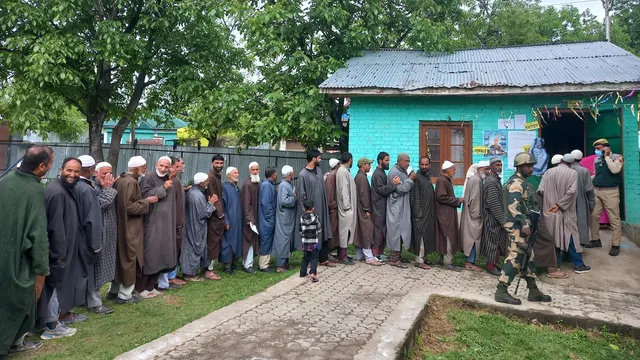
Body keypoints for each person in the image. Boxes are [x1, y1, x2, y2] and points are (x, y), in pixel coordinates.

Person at [0, 146, 53, 356]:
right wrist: (42, 268)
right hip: (17, 259)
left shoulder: (5, 181)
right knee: (20, 302)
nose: (50, 167)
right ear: (41, 167)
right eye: (50, 163)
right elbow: (38, 235)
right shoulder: (34, 191)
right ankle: (9, 345)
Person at [495, 152, 551, 305]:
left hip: (522, 225)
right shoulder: (516, 184)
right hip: (517, 226)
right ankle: (501, 290)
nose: (532, 169)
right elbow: (513, 207)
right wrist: (524, 224)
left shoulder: (521, 182)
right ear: (520, 167)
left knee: (529, 257)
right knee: (516, 257)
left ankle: (533, 290)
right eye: (529, 166)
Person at [42, 157, 85, 339]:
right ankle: (52, 326)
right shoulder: (58, 192)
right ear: (61, 169)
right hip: (59, 252)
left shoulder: (66, 189)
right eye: (69, 170)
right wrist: (59, 253)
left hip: (64, 250)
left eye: (76, 172)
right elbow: (56, 226)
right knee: (55, 286)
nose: (73, 174)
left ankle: (52, 320)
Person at [110, 156, 157, 304]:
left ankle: (114, 290)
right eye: (143, 167)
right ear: (136, 169)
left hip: (122, 226)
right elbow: (129, 207)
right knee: (131, 259)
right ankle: (125, 295)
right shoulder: (131, 182)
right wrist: (146, 201)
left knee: (121, 259)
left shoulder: (122, 180)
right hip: (130, 228)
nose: (145, 169)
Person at [538, 154, 591, 274]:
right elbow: (572, 192)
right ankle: (579, 265)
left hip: (550, 211)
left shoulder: (548, 172)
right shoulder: (573, 173)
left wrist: (548, 204)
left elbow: (541, 190)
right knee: (571, 237)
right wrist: (560, 204)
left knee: (553, 237)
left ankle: (555, 265)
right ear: (571, 163)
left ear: (561, 161)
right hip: (566, 210)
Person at [74, 155, 111, 315]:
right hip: (85, 234)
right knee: (89, 269)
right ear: (91, 170)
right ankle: (95, 303)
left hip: (75, 232)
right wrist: (108, 189)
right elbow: (97, 209)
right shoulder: (86, 187)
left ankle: (81, 299)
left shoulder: (75, 184)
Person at [139, 156, 177, 295]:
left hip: (166, 224)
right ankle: (142, 288)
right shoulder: (148, 177)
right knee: (151, 254)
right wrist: (163, 188)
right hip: (152, 223)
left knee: (162, 255)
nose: (163, 169)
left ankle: (151, 286)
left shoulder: (168, 178)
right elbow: (144, 196)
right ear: (156, 164)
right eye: (161, 165)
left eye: (166, 167)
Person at [588, 138, 624, 256]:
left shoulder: (617, 157)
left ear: (606, 147)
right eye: (595, 149)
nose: (596, 151)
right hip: (597, 191)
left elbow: (615, 170)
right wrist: (587, 180)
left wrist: (607, 157)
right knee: (594, 216)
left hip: (611, 192)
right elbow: (596, 174)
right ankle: (595, 240)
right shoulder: (597, 160)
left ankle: (616, 245)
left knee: (614, 219)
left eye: (598, 149)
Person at [297, 149, 333, 267]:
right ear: (313, 158)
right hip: (312, 210)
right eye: (319, 157)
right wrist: (305, 212)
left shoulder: (318, 170)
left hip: (322, 208)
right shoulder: (303, 174)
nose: (320, 159)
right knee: (312, 235)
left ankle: (323, 259)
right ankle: (309, 260)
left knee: (323, 232)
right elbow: (301, 194)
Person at [92, 162, 119, 302]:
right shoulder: (91, 187)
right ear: (95, 173)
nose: (108, 176)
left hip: (109, 232)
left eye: (110, 173)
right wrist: (108, 189)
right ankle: (93, 299)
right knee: (96, 267)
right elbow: (98, 206)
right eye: (104, 173)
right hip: (97, 234)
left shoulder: (108, 185)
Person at [182, 173, 217, 282]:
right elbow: (204, 213)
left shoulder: (192, 192)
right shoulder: (197, 196)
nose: (208, 182)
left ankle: (200, 269)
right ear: (201, 183)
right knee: (194, 248)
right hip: (196, 227)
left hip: (193, 225)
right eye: (206, 181)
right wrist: (211, 203)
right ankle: (189, 274)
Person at [386, 153, 415, 268]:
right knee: (396, 233)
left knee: (402, 232)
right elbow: (401, 189)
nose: (408, 163)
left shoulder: (402, 171)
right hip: (396, 208)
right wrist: (410, 179)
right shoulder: (394, 172)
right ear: (399, 161)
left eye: (409, 161)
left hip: (402, 207)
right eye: (406, 161)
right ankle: (394, 259)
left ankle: (398, 257)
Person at [353, 157, 383, 266]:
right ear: (363, 165)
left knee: (361, 231)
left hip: (361, 209)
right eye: (369, 165)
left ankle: (359, 254)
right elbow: (363, 195)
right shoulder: (361, 178)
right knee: (367, 232)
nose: (370, 167)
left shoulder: (360, 176)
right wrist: (367, 209)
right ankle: (369, 257)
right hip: (363, 210)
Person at [371, 152, 401, 260]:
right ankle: (375, 254)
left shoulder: (382, 172)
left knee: (383, 230)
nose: (388, 163)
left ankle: (380, 252)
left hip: (382, 206)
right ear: (380, 161)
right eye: (386, 160)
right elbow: (382, 190)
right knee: (378, 230)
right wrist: (394, 184)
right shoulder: (378, 174)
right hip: (378, 206)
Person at [481, 158, 508, 276]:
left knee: (496, 242)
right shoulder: (491, 181)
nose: (500, 167)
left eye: (501, 164)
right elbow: (493, 202)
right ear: (491, 166)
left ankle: (494, 264)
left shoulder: (495, 179)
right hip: (492, 218)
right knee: (493, 242)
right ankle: (490, 266)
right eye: (497, 165)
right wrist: (501, 220)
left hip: (496, 217)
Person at [163, 157, 187, 288]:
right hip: (175, 222)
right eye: (178, 166)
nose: (180, 168)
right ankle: (171, 277)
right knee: (173, 249)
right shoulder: (171, 181)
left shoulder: (176, 180)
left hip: (178, 221)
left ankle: (173, 275)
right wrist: (178, 222)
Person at [461, 161, 489, 272]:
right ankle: (470, 262)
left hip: (470, 214)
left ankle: (469, 261)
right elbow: (475, 200)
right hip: (474, 216)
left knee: (471, 238)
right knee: (473, 238)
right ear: (481, 169)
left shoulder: (474, 179)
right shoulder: (477, 181)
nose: (488, 172)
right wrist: (477, 215)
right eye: (486, 169)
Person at [435, 161, 463, 271]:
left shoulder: (445, 180)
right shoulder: (442, 181)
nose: (455, 171)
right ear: (448, 170)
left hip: (446, 213)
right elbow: (441, 197)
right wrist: (457, 200)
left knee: (446, 236)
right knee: (448, 236)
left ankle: (443, 260)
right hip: (445, 214)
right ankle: (447, 262)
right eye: (453, 169)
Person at [409, 156, 436, 269]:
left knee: (426, 236)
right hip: (420, 215)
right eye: (422, 164)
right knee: (420, 237)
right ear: (419, 165)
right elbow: (415, 197)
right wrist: (417, 214)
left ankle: (423, 258)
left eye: (426, 164)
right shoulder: (417, 178)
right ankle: (419, 261)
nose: (424, 167)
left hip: (428, 213)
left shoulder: (427, 178)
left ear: (429, 165)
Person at [274, 166, 299, 272]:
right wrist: (295, 199)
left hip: (289, 217)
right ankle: (280, 265)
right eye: (292, 172)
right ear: (289, 174)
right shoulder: (284, 185)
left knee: (288, 240)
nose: (293, 174)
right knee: (283, 240)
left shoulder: (288, 184)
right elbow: (284, 200)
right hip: (284, 218)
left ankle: (285, 263)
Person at [569, 150, 595, 247]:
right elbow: (589, 189)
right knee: (582, 221)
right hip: (581, 199)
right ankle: (581, 242)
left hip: (567, 200)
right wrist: (592, 203)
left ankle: (569, 243)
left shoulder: (567, 169)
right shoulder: (584, 171)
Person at [205, 155, 225, 280]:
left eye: (221, 163)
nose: (219, 165)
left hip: (217, 215)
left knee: (215, 242)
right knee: (212, 242)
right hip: (214, 216)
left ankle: (209, 267)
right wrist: (221, 214)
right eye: (217, 163)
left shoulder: (217, 176)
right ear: (212, 163)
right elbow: (214, 197)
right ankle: (209, 270)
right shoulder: (211, 177)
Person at [335, 152, 357, 265]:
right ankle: (342, 256)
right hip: (346, 209)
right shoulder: (343, 171)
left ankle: (343, 254)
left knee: (346, 232)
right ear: (350, 160)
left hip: (347, 208)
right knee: (345, 232)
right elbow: (344, 191)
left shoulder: (344, 171)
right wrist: (347, 207)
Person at [221, 167, 243, 275]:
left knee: (236, 241)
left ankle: (234, 263)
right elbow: (222, 206)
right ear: (228, 175)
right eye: (235, 173)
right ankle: (227, 266)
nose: (237, 175)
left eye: (238, 172)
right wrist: (226, 220)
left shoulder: (236, 188)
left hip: (237, 221)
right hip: (229, 221)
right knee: (228, 242)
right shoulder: (225, 188)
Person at [240, 162, 261, 273]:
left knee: (252, 240)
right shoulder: (248, 184)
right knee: (248, 240)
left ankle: (247, 263)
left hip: (254, 217)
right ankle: (247, 265)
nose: (255, 171)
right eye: (253, 170)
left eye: (257, 169)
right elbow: (246, 204)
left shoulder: (256, 183)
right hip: (249, 219)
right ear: (249, 171)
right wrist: (250, 219)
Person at [258, 166, 278, 272]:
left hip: (266, 218)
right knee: (266, 240)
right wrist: (270, 217)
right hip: (266, 219)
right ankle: (263, 265)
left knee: (267, 240)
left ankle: (265, 262)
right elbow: (265, 204)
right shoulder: (267, 186)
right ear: (273, 174)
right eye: (276, 173)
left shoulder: (267, 184)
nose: (277, 175)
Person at [299, 199, 321, 283]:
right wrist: (316, 233)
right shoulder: (316, 218)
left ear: (304, 208)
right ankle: (313, 273)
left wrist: (303, 235)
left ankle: (302, 272)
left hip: (305, 242)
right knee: (314, 258)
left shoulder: (301, 218)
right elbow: (319, 228)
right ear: (313, 208)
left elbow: (300, 230)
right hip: (314, 242)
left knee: (305, 258)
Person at [324, 158, 341, 261]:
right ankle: (328, 252)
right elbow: (330, 193)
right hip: (332, 209)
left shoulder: (333, 175)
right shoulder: (332, 176)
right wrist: (333, 205)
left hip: (334, 208)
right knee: (332, 231)